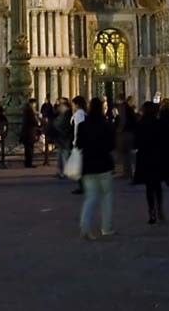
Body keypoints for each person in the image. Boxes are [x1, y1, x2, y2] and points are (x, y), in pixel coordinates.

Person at [75, 97, 115, 240]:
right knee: (106, 197)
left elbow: (78, 144)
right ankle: (106, 228)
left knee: (90, 198)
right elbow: (112, 145)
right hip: (104, 165)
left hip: (88, 165)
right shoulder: (107, 125)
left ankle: (85, 226)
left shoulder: (83, 126)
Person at [133, 102, 169, 224]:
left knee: (149, 187)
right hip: (158, 157)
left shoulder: (140, 124)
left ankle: (151, 212)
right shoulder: (160, 123)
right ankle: (160, 208)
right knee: (157, 186)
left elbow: (136, 143)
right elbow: (168, 139)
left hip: (145, 158)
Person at [115, 95, 138, 180]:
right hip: (131, 132)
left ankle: (127, 173)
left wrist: (119, 130)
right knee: (128, 153)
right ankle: (129, 172)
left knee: (125, 153)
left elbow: (123, 119)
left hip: (125, 133)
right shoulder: (129, 107)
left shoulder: (122, 107)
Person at [20, 98, 40, 168]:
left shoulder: (26, 109)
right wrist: (38, 123)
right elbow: (33, 121)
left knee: (27, 149)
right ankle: (29, 163)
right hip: (30, 132)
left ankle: (27, 162)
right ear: (33, 103)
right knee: (30, 148)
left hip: (26, 132)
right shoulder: (30, 110)